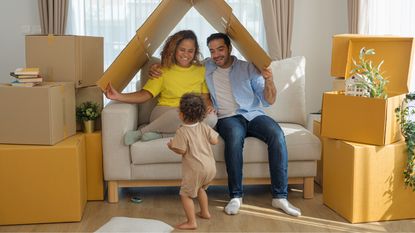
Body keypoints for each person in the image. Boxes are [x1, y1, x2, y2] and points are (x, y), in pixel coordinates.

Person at [150, 32, 301, 217]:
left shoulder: (248, 68)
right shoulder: (206, 67)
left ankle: (280, 197)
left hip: (253, 114)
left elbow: (269, 100)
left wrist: (269, 79)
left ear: (229, 48)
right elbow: (182, 63)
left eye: (220, 49)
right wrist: (155, 67)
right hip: (226, 117)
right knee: (234, 139)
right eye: (212, 51)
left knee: (276, 134)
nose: (216, 55)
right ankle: (236, 196)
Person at [104, 30, 217, 145]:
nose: (186, 55)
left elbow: (205, 98)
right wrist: (119, 96)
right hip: (165, 113)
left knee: (212, 119)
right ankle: (142, 132)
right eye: (182, 50)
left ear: (195, 52)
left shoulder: (201, 70)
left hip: (190, 114)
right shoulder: (161, 70)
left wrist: (209, 107)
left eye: (190, 51)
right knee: (180, 114)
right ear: (174, 50)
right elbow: (145, 94)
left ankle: (162, 134)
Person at [167, 93, 219, 230]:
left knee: (185, 194)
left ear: (182, 115)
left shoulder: (182, 131)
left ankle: (191, 222)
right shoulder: (204, 126)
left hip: (195, 169)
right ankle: (205, 212)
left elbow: (181, 150)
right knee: (201, 188)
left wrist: (172, 147)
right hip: (210, 167)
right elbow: (215, 141)